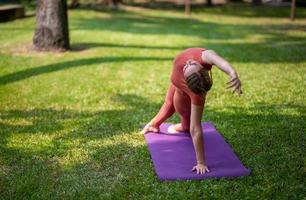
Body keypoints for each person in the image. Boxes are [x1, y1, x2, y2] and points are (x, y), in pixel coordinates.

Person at [141, 47, 242, 175]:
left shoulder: (206, 56)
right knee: (186, 123)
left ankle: (154, 124)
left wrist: (232, 73)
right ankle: (166, 125)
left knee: (170, 103)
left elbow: (219, 61)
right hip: (178, 75)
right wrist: (201, 162)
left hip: (178, 65)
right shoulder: (196, 94)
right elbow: (195, 128)